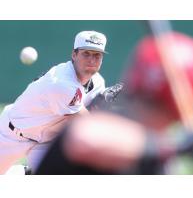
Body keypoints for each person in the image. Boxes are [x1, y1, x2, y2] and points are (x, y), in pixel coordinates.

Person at [35, 31, 193, 175]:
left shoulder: (156, 159)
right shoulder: (112, 122)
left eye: (97, 55)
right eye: (86, 54)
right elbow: (85, 139)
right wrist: (177, 146)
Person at [0, 30, 111, 174]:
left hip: (45, 143)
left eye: (97, 55)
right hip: (13, 134)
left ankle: (25, 174)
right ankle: (20, 174)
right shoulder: (61, 83)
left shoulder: (98, 82)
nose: (91, 60)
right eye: (86, 54)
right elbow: (86, 123)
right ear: (74, 54)